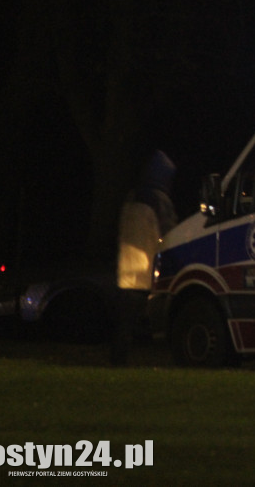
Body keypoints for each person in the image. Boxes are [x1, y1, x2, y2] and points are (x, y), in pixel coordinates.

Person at [111, 150, 178, 365]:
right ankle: (149, 361)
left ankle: (118, 360)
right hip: (147, 272)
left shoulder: (132, 197)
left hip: (125, 272)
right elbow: (170, 234)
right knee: (151, 322)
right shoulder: (160, 200)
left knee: (124, 324)